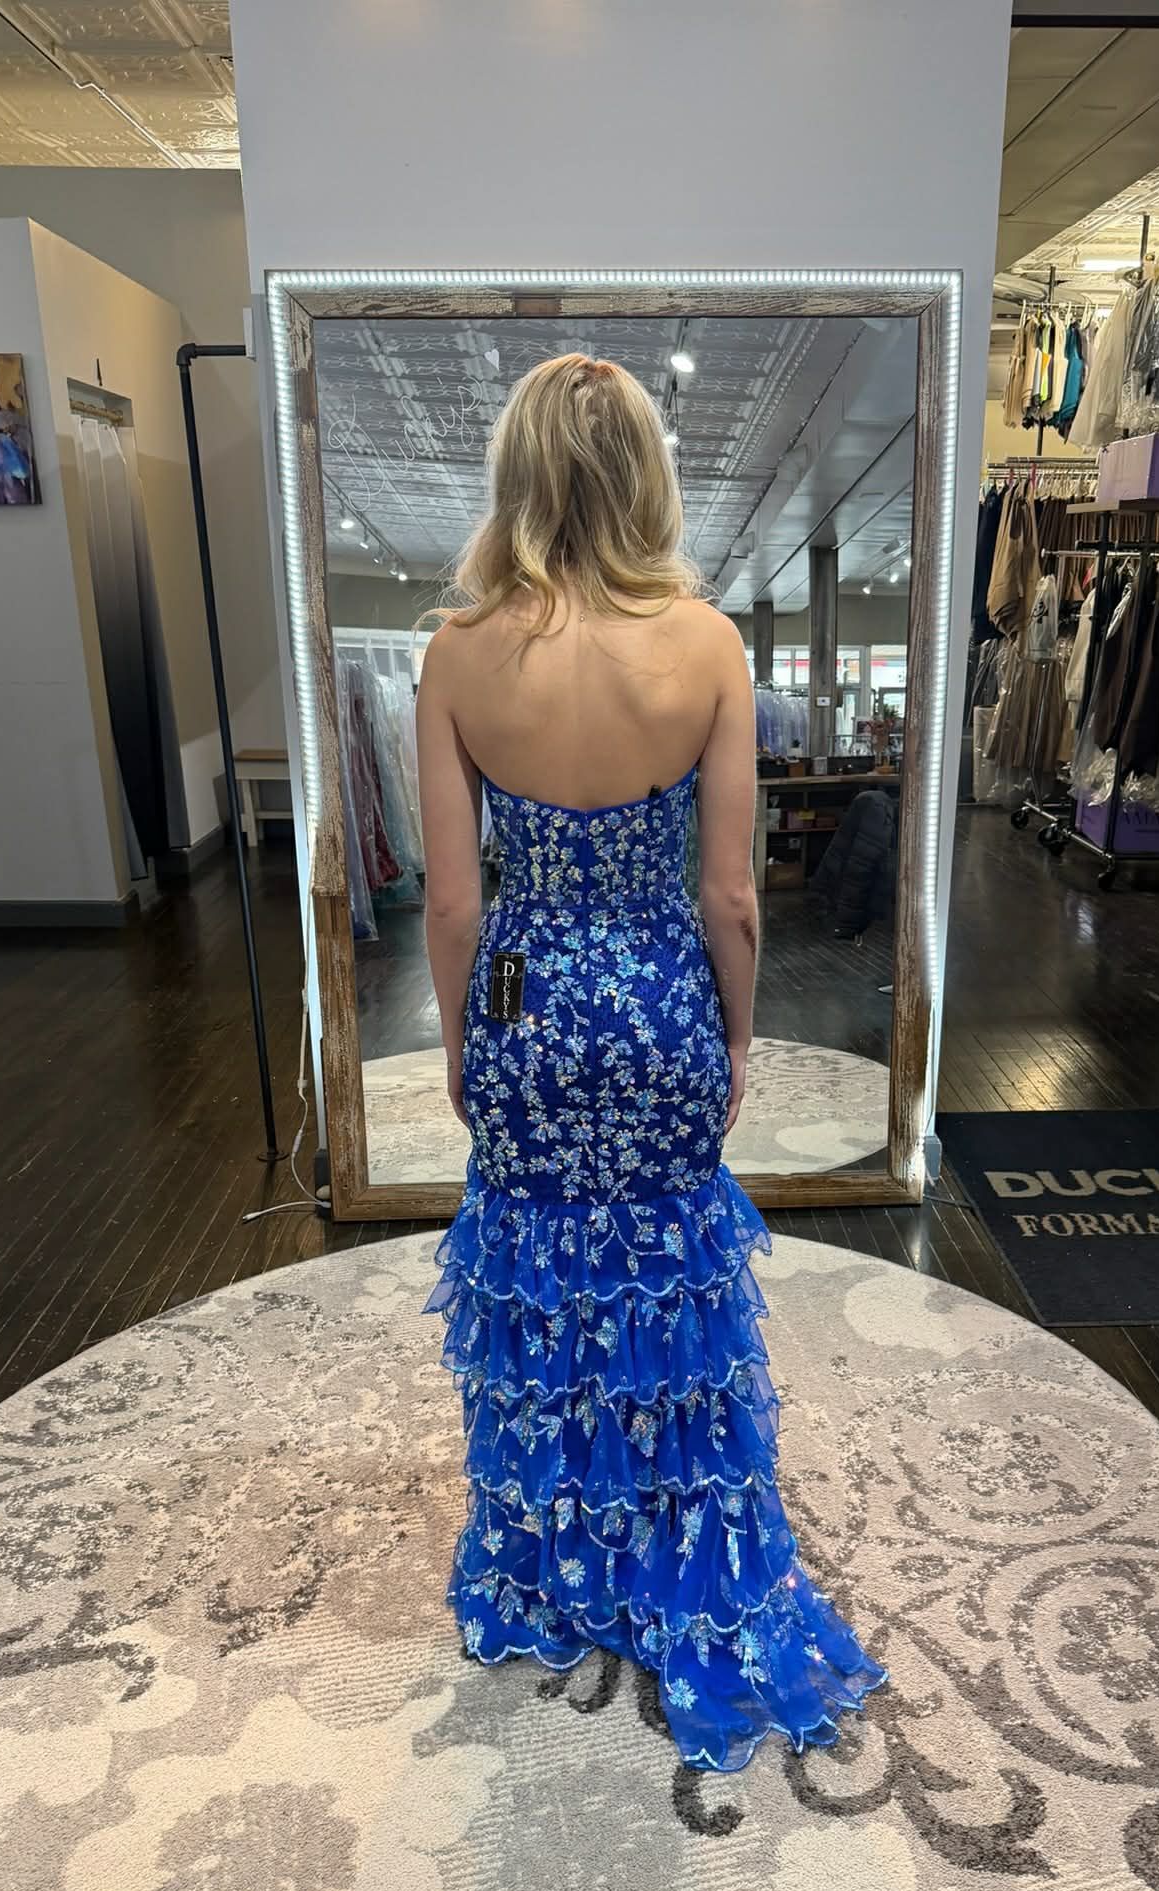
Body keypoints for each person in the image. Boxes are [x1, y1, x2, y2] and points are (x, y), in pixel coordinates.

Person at [415, 352, 885, 1772]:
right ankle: (680, 1542)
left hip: (528, 1006)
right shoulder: (708, 646)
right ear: (646, 480)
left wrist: (458, 1041)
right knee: (668, 1268)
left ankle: (552, 1562)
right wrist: (737, 1031)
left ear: (519, 478)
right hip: (659, 1002)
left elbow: (451, 904)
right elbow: (732, 895)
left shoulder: (456, 651)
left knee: (539, 1270)